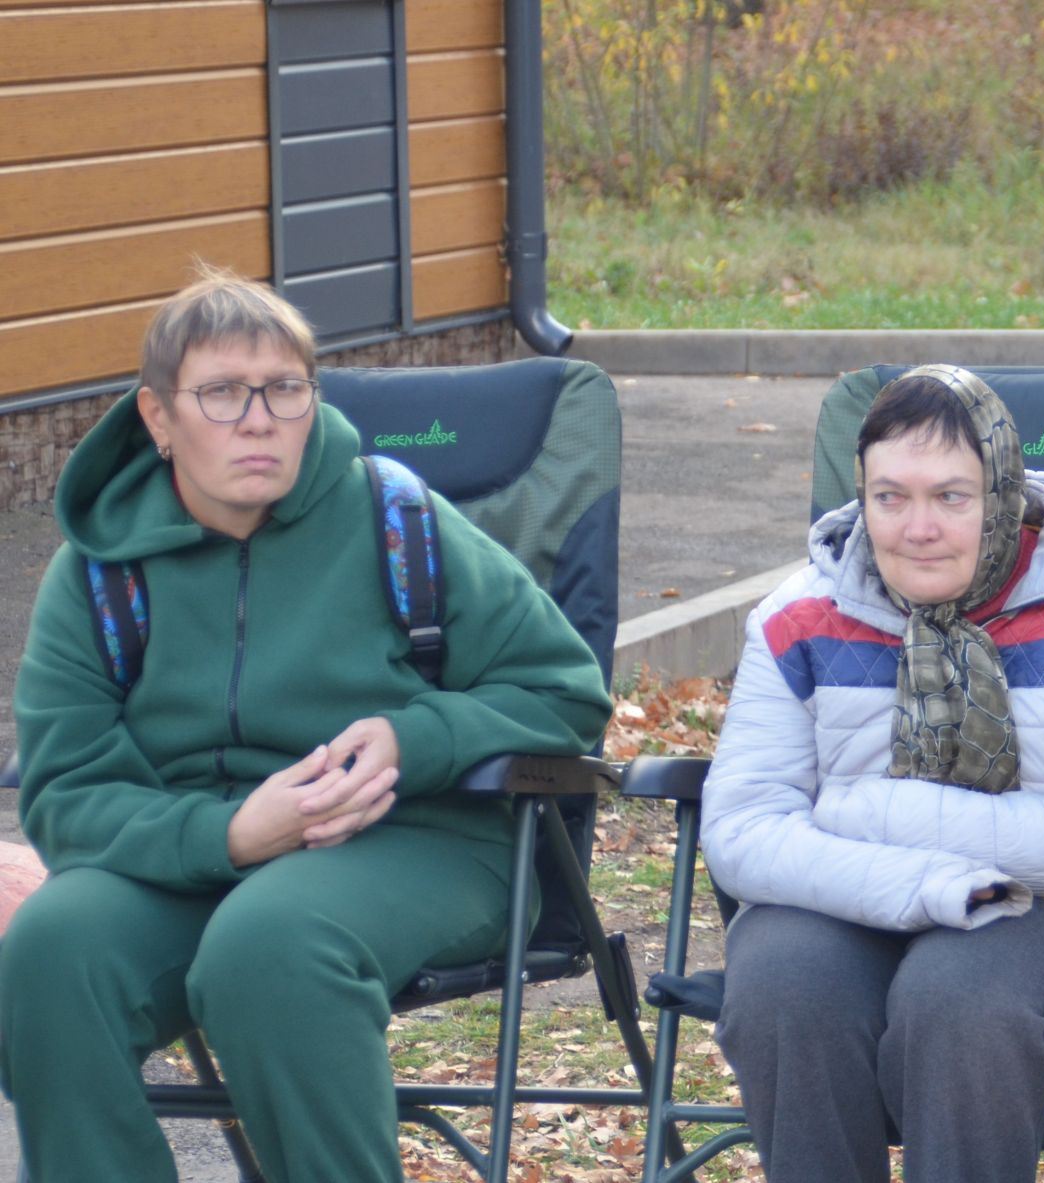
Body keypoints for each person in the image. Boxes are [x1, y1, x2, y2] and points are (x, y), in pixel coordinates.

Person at [0, 269, 614, 1182]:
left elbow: (566, 691)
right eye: (221, 393)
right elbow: (66, 792)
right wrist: (229, 833)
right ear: (158, 418)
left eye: (285, 389)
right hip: (193, 855)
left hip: (426, 837)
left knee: (273, 945)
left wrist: (418, 737)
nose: (259, 419)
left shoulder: (396, 519)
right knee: (50, 952)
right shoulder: (99, 575)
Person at [700, 364, 1044, 1183]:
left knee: (957, 998)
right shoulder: (796, 618)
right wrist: (925, 882)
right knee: (784, 987)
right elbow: (744, 831)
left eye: (951, 497)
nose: (917, 527)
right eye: (890, 497)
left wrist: (874, 811)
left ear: (1001, 495)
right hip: (845, 896)